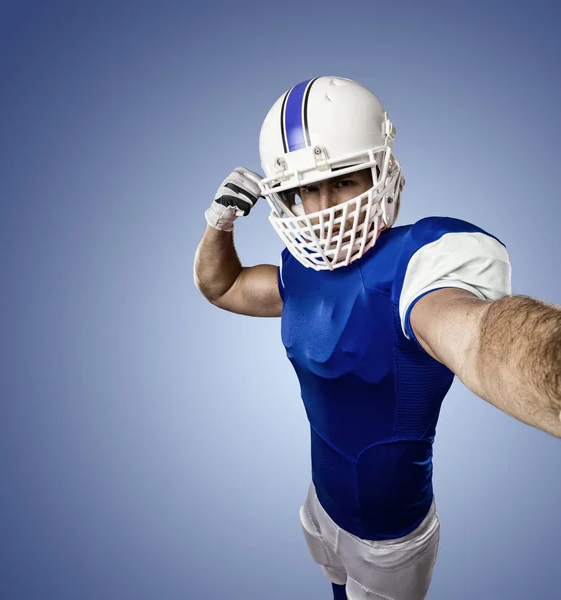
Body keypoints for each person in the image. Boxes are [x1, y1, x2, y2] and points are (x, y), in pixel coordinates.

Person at [193, 76, 561, 600]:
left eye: (343, 181)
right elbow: (222, 285)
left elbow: (479, 339)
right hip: (323, 499)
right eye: (303, 191)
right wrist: (218, 225)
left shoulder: (417, 263)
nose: (323, 210)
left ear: (382, 169)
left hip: (390, 532)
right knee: (334, 586)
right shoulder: (298, 268)